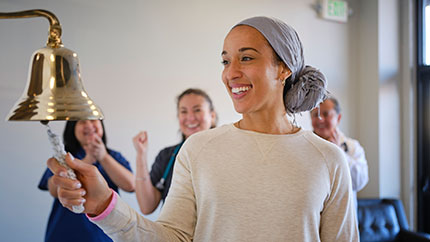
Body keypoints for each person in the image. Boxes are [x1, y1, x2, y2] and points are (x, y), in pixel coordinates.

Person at [46, 16, 359, 241]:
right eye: (225, 61)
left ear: (283, 68)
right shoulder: (198, 150)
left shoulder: (328, 159)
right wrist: (104, 205)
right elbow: (170, 238)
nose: (231, 74)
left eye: (246, 58)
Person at [38, 120, 135, 242]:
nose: (89, 125)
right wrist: (88, 159)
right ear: (72, 128)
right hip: (65, 231)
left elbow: (131, 185)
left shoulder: (113, 156)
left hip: (104, 235)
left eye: (93, 120)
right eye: (82, 122)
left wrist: (103, 156)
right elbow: (53, 189)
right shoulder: (64, 156)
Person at [133, 88, 217, 214]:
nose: (190, 117)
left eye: (197, 110)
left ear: (212, 116)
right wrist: (141, 155)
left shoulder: (227, 153)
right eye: (183, 111)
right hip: (175, 233)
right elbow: (147, 207)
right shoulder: (167, 156)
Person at [310, 96, 369, 203]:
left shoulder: (352, 147)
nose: (320, 119)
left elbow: (359, 182)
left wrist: (338, 153)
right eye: (315, 115)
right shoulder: (305, 147)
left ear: (338, 118)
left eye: (326, 114)